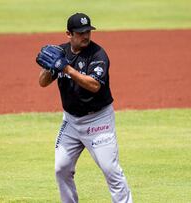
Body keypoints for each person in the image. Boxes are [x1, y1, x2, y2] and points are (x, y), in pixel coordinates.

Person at [36, 13, 133, 203]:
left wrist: (66, 68)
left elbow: (94, 85)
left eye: (88, 31)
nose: (86, 36)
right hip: (71, 122)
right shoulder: (61, 52)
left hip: (98, 122)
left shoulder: (98, 54)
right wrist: (50, 69)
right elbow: (42, 82)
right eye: (80, 33)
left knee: (110, 170)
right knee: (61, 169)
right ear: (68, 34)